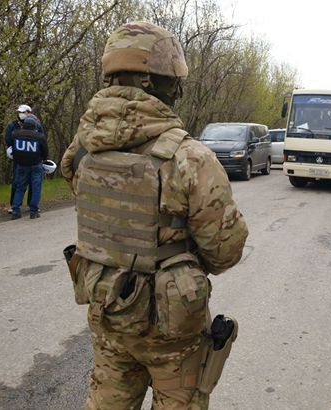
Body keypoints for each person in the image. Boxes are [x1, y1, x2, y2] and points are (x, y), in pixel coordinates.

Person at [61, 22, 248, 409]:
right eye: (172, 78)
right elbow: (225, 251)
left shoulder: (81, 150)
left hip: (109, 313)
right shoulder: (189, 157)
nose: (178, 88)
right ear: (150, 81)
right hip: (172, 331)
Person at [5, 104, 45, 213]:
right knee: (17, 182)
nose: (21, 114)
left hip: (34, 159)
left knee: (34, 183)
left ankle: (32, 205)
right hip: (19, 158)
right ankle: (14, 206)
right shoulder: (12, 125)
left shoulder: (37, 125)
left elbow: (42, 141)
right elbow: (8, 141)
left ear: (29, 112)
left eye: (23, 112)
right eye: (19, 112)